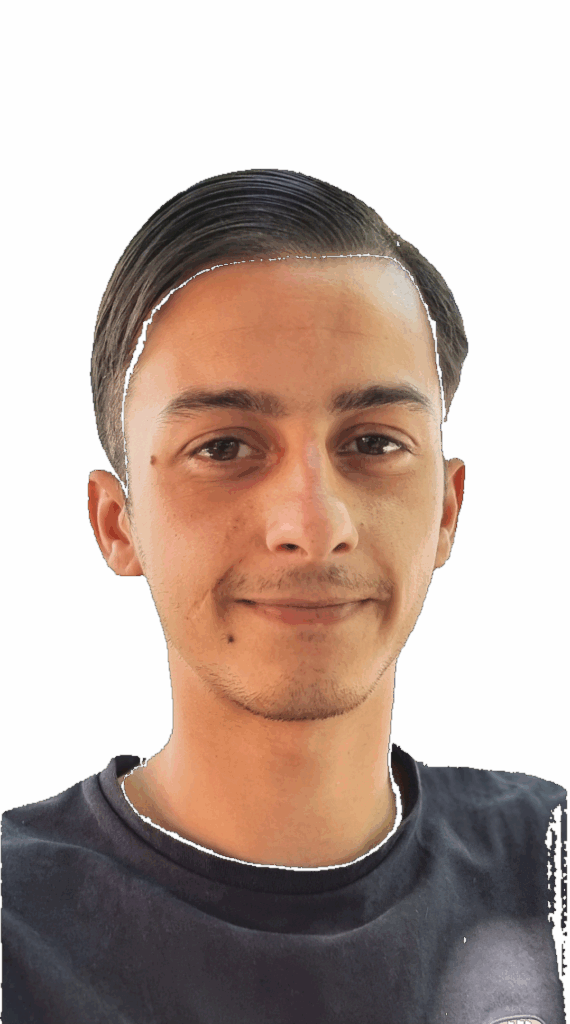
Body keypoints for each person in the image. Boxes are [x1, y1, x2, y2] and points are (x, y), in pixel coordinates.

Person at [3, 169, 565, 1023]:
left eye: (373, 443)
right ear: (117, 524)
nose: (313, 524)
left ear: (447, 512)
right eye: (224, 447)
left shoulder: (550, 867)